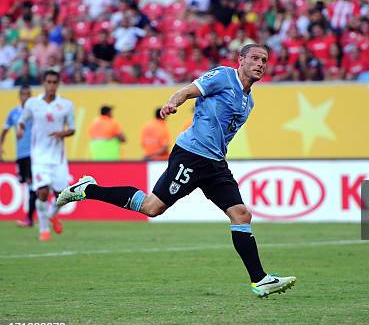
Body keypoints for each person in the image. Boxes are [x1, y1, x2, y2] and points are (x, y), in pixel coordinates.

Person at [56, 44, 296, 297]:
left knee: (241, 214)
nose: (260, 63)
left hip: (215, 164)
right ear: (241, 60)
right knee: (152, 207)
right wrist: (172, 104)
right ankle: (87, 189)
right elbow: (187, 91)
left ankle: (260, 280)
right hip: (191, 155)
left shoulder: (250, 101)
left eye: (264, 60)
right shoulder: (224, 76)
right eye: (255, 58)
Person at [16, 70, 75, 241]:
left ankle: (51, 214)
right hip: (39, 157)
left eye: (54, 82)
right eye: (48, 82)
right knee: (42, 192)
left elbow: (72, 128)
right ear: (43, 83)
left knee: (63, 195)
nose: (51, 85)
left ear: (58, 84)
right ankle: (43, 230)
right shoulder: (33, 103)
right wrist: (20, 128)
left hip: (58, 158)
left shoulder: (66, 105)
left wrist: (63, 133)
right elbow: (22, 120)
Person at [1, 85, 36, 227]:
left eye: (28, 94)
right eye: (23, 94)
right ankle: (34, 217)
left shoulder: (35, 112)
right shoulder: (13, 113)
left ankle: (30, 218)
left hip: (33, 153)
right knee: (28, 185)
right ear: (19, 96)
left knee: (33, 184)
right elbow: (5, 130)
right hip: (20, 154)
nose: (25, 97)